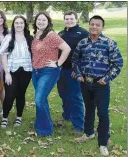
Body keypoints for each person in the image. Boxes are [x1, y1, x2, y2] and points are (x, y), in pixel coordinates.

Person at [73, 15, 123, 156]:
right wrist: (78, 74)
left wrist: (107, 78)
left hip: (101, 84)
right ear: (89, 25)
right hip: (85, 83)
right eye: (92, 24)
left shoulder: (109, 43)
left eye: (97, 25)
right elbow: (75, 60)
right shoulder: (82, 43)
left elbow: (118, 63)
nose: (94, 27)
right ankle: (88, 133)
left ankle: (103, 143)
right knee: (89, 109)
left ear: (102, 27)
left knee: (102, 112)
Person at [31, 12, 71, 136]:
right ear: (35, 21)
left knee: (39, 100)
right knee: (42, 100)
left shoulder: (51, 35)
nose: (41, 22)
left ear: (48, 22)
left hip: (48, 71)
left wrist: (58, 63)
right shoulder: (36, 34)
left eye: (44, 20)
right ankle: (43, 123)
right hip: (36, 71)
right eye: (39, 20)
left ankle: (45, 131)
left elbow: (67, 48)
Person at [0, 15, 33, 128]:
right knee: (9, 95)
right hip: (11, 71)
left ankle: (19, 117)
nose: (19, 25)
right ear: (13, 25)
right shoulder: (8, 37)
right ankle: (5, 117)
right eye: (16, 23)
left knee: (21, 94)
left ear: (24, 25)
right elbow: (3, 54)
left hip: (26, 70)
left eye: (21, 23)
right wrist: (7, 73)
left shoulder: (30, 38)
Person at [57, 11, 89, 133]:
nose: (69, 21)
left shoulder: (83, 33)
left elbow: (87, 53)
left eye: (71, 19)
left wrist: (79, 70)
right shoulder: (61, 33)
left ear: (76, 19)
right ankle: (67, 116)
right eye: (67, 19)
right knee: (63, 94)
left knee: (75, 97)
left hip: (75, 71)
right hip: (61, 70)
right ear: (64, 20)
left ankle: (79, 125)